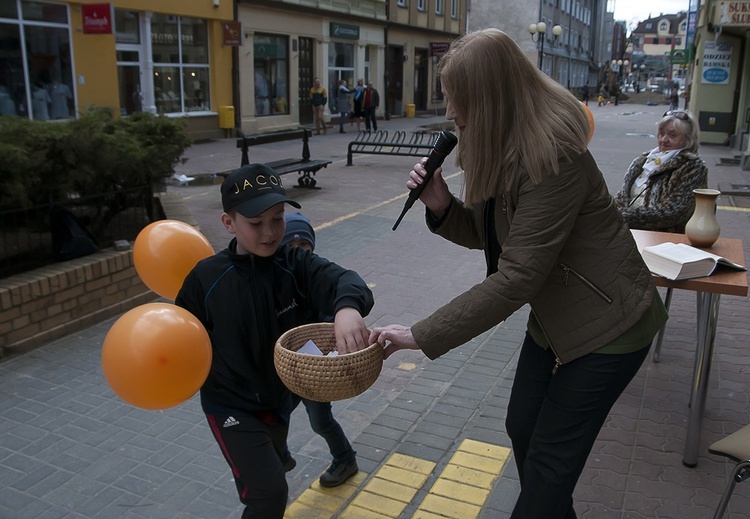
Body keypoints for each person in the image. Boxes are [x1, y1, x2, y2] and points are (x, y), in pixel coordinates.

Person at [368, 29, 667, 519]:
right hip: (555, 318)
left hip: (610, 325)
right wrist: (441, 206)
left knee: (548, 468)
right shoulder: (500, 146)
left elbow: (516, 276)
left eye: (455, 99)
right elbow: (496, 235)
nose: (448, 113)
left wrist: (421, 334)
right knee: (522, 426)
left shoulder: (554, 156)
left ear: (488, 99)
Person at [175, 164, 373, 518]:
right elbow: (180, 337)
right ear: (228, 223)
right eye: (256, 223)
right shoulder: (205, 279)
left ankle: (264, 464)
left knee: (272, 469)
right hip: (229, 404)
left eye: (278, 219)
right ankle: (258, 473)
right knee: (268, 493)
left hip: (281, 401)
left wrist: (346, 308)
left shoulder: (295, 263)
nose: (270, 232)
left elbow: (347, 280)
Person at [279, 212, 359, 487]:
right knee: (275, 417)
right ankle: (280, 457)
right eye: (291, 247)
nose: (299, 252)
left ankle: (346, 459)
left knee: (321, 423)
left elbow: (331, 321)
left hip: (314, 372)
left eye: (305, 247)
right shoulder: (275, 284)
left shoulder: (318, 280)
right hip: (287, 369)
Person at [614, 110, 708, 233]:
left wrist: (622, 216)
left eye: (672, 135)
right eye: (661, 134)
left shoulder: (692, 167)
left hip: (665, 240)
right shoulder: (644, 161)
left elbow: (674, 211)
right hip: (630, 233)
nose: (664, 139)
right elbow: (623, 196)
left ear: (687, 139)